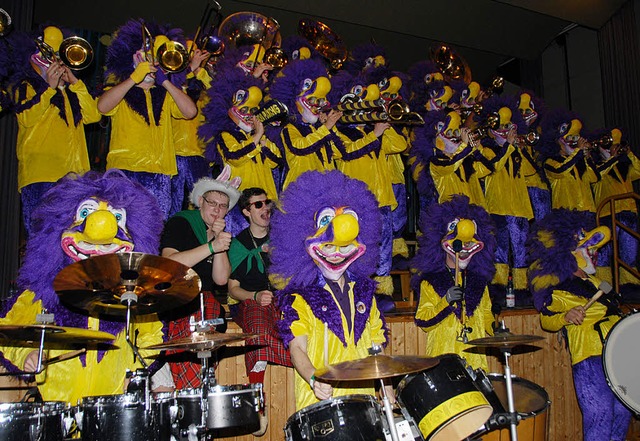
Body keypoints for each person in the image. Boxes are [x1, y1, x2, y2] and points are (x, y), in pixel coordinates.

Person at [0, 170, 167, 405]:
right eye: (86, 212)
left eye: (117, 218)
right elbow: (8, 330)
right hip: (57, 407)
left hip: (110, 405)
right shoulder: (41, 292)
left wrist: (135, 370)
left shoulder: (131, 293)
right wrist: (26, 354)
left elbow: (153, 337)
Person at [271, 170, 390, 411]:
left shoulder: (365, 292)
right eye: (330, 245)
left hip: (363, 398)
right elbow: (297, 349)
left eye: (344, 247)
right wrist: (314, 378)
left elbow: (377, 345)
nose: (336, 252)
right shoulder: (298, 298)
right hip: (321, 401)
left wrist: (386, 383)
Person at [528, 209, 631, 441]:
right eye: (587, 248)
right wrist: (566, 317)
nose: (593, 254)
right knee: (600, 415)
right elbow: (546, 320)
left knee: (623, 412)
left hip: (616, 354)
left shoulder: (597, 282)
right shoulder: (558, 288)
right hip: (590, 357)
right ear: (564, 252)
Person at [98, 19, 197, 219]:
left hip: (160, 173)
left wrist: (167, 83)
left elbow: (190, 112)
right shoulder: (120, 89)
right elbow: (102, 106)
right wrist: (133, 78)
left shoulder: (166, 94)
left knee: (155, 229)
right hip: (125, 171)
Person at [10, 26, 101, 236]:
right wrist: (48, 87)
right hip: (42, 176)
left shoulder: (72, 93)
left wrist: (75, 82)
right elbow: (26, 117)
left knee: (73, 237)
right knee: (43, 238)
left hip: (76, 178)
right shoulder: (26, 85)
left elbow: (94, 116)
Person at [160, 165, 240, 389]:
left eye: (223, 206)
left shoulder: (219, 235)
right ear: (200, 201)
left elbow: (221, 280)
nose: (217, 210)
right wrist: (211, 246)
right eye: (212, 203)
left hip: (206, 308)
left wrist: (219, 243)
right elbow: (170, 264)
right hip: (176, 302)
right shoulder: (182, 221)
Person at [227, 187, 292, 435]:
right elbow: (233, 289)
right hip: (249, 303)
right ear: (246, 211)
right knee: (258, 326)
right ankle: (257, 405)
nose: (265, 208)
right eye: (258, 205)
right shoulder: (239, 243)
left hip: (281, 301)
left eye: (267, 203)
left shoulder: (282, 237)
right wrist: (254, 295)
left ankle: (310, 364)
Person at [411, 195, 497, 371]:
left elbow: (487, 315)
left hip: (476, 363)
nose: (465, 245)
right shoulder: (430, 282)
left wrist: (496, 329)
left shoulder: (480, 282)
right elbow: (423, 320)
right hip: (444, 364)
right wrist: (446, 302)